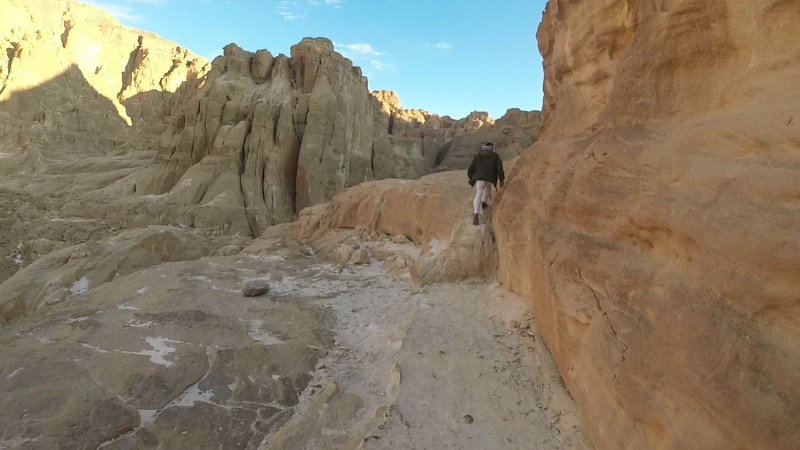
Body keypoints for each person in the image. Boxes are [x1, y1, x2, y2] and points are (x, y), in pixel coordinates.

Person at [467, 142, 505, 225]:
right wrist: (501, 179)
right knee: (487, 189)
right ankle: (484, 202)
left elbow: (471, 168)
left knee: (478, 194)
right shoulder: (495, 156)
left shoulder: (478, 155)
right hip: (489, 177)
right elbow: (499, 169)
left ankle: (476, 214)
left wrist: (471, 177)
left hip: (479, 178)